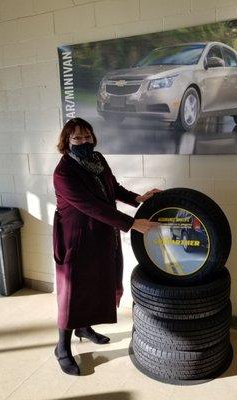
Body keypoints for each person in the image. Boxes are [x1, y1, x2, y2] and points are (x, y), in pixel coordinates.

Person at [53, 117, 160, 375]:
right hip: (76, 237)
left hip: (101, 232)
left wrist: (138, 198)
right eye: (76, 138)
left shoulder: (98, 159)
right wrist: (132, 223)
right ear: (66, 142)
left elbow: (112, 187)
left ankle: (84, 327)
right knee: (73, 290)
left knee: (97, 282)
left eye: (87, 137)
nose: (83, 142)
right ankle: (62, 347)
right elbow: (90, 205)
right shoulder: (63, 172)